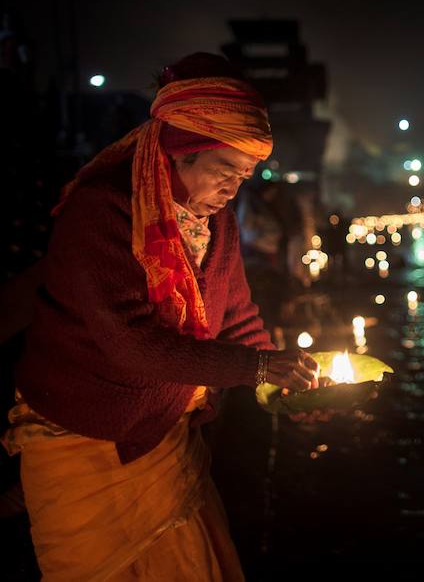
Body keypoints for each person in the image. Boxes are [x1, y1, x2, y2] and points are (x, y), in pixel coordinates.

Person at [0, 52, 320, 581]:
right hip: (84, 439)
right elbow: (129, 342)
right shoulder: (103, 212)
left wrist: (283, 387)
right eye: (226, 170)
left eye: (246, 175)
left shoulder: (218, 223)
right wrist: (259, 369)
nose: (234, 189)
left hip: (168, 435)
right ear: (180, 153)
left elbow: (236, 316)